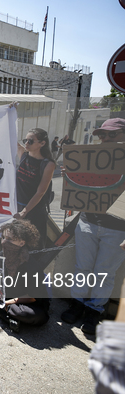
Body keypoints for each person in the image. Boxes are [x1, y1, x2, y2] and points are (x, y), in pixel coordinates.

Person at [61, 118, 125, 335]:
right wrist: (69, 176)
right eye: (102, 135)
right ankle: (77, 304)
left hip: (118, 229)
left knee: (105, 274)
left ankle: (94, 310)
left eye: (112, 134)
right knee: (83, 269)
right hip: (87, 223)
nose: (105, 139)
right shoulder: (91, 160)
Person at [0, 219, 50, 333]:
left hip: (26, 301)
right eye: (3, 238)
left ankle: (3, 312)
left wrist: (5, 303)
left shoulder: (31, 265)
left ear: (22, 243)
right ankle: (6, 314)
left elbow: (32, 297)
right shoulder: (1, 255)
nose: (4, 242)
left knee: (30, 315)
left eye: (9, 239)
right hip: (6, 295)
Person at [15, 128, 56, 248]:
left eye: (31, 141)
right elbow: (10, 137)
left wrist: (24, 212)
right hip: (18, 207)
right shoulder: (23, 155)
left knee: (33, 246)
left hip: (34, 212)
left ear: (42, 143)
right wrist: (9, 112)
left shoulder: (48, 164)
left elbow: (40, 192)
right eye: (25, 140)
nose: (26, 143)